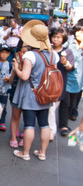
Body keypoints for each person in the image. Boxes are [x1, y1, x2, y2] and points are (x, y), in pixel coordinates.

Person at [11, 20, 59, 161]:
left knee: (29, 124)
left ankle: (25, 153)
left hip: (31, 94)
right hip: (47, 93)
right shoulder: (53, 55)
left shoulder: (30, 55)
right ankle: (42, 153)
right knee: (44, 124)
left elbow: (25, 76)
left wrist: (16, 69)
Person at [48, 28, 74, 140]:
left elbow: (70, 68)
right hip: (47, 82)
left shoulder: (67, 52)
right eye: (54, 36)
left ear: (63, 38)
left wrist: (65, 63)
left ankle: (51, 131)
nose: (55, 39)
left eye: (58, 37)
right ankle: (49, 129)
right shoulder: (48, 50)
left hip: (59, 83)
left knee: (52, 108)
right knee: (49, 107)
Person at [58, 24, 83, 136]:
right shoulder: (68, 43)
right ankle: (63, 125)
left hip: (79, 80)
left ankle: (65, 122)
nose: (80, 34)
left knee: (72, 104)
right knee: (65, 102)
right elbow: (60, 51)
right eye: (79, 31)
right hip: (67, 77)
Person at [9, 43, 30, 148]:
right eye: (22, 52)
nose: (23, 55)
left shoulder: (31, 63)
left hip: (28, 92)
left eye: (25, 52)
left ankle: (25, 137)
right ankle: (13, 138)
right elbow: (10, 81)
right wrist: (14, 70)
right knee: (15, 115)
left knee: (28, 117)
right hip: (16, 89)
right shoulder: (17, 62)